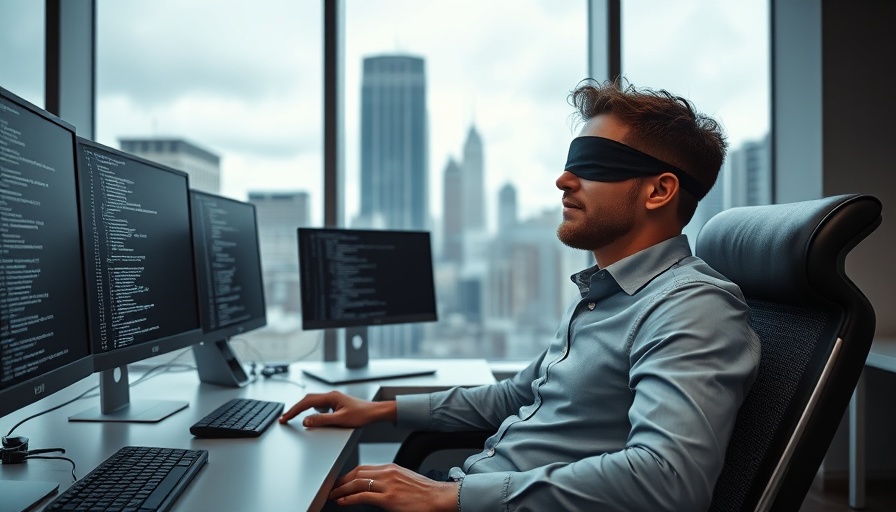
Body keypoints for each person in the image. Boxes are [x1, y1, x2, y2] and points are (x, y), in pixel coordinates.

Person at [280, 78, 761, 512]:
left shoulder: (692, 308)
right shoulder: (600, 292)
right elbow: (516, 394)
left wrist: (453, 496)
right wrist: (381, 410)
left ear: (659, 191)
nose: (563, 179)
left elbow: (669, 480)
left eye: (593, 165)